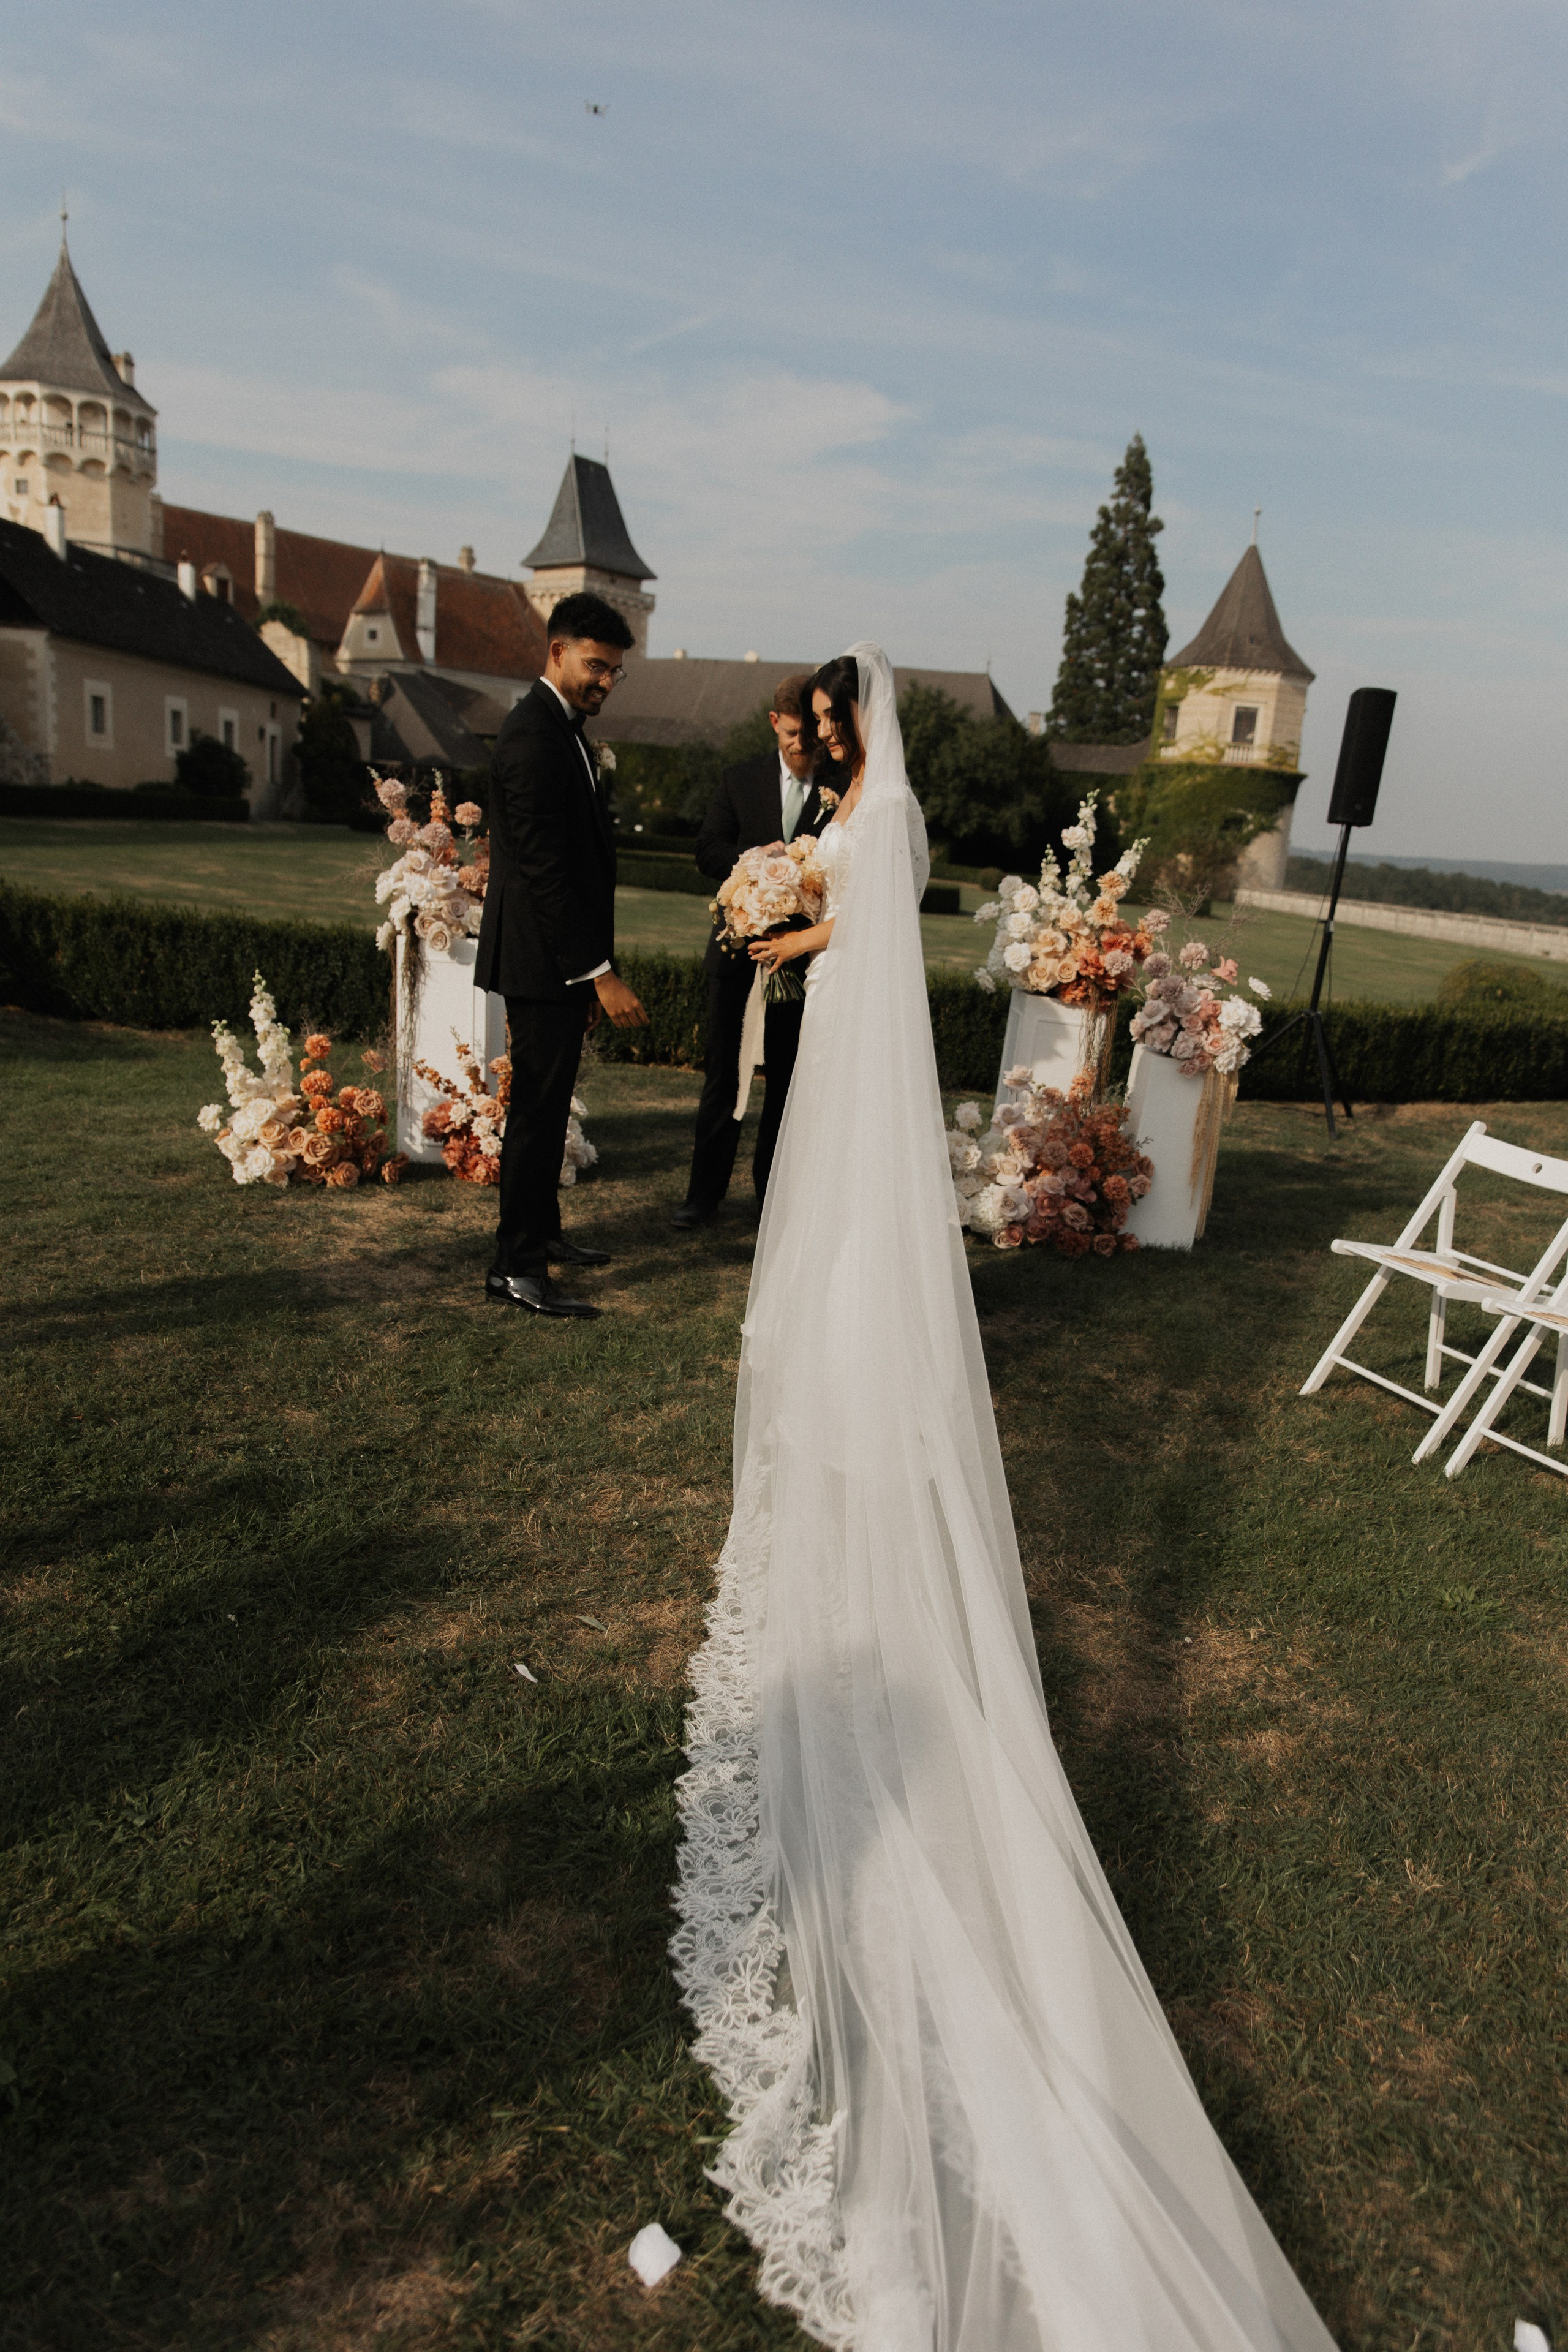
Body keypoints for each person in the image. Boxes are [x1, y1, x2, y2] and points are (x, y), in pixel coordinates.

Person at [671, 647, 1338, 2351]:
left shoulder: (872, 820)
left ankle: (846, 1384)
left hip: (851, 1054)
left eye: (826, 726)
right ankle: (835, 1368)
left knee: (841, 1243)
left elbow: (869, 940)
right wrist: (772, 914)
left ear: (855, 728)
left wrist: (775, 927)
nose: (817, 745)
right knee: (829, 1240)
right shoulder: (862, 808)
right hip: (841, 1051)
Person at [473, 593, 649, 1321]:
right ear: (556, 652)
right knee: (537, 1115)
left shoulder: (564, 731)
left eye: (614, 672)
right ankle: (514, 1267)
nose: (605, 681)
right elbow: (545, 871)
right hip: (543, 962)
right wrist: (599, 973)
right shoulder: (532, 738)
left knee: (547, 1108)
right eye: (595, 666)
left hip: (555, 962)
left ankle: (542, 1234)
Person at [673, 673, 831, 1229]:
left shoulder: (840, 790)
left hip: (803, 958)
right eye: (792, 734)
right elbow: (706, 851)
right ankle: (703, 1196)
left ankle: (774, 1201)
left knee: (788, 1081)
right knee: (724, 1075)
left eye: (811, 736)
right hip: (736, 957)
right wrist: (758, 867)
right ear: (774, 724)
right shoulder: (739, 781)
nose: (802, 746)